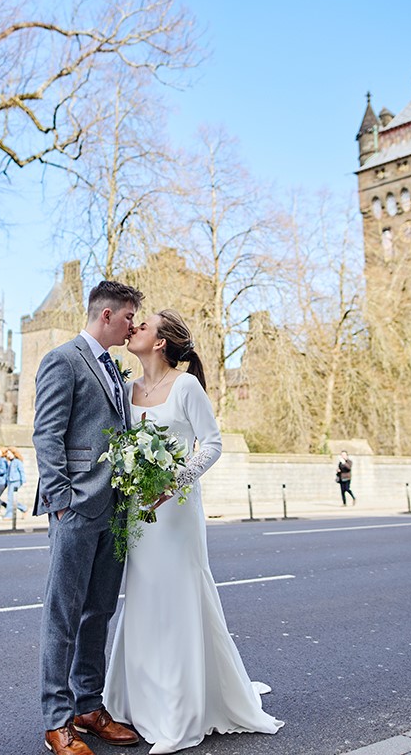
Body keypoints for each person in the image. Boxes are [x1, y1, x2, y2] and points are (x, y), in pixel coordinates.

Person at [103, 309, 283, 754]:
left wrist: (174, 481)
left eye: (142, 326)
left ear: (160, 342)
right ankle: (135, 702)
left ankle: (179, 715)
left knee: (178, 599)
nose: (133, 329)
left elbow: (214, 443)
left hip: (176, 512)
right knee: (143, 600)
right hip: (138, 515)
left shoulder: (186, 386)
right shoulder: (127, 389)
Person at [33, 280, 144, 755]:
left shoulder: (115, 370)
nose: (132, 327)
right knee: (64, 615)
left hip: (114, 509)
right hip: (77, 508)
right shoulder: (63, 359)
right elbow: (47, 433)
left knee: (99, 612)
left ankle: (88, 706)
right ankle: (57, 723)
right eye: (128, 319)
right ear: (106, 316)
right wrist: (62, 501)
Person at [2, 447, 27, 519]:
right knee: (12, 499)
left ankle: (9, 515)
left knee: (10, 498)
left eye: (9, 453)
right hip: (10, 482)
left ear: (14, 453)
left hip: (16, 481)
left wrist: (24, 481)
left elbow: (22, 471)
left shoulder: (17, 462)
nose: (8, 455)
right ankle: (24, 508)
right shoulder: (11, 462)